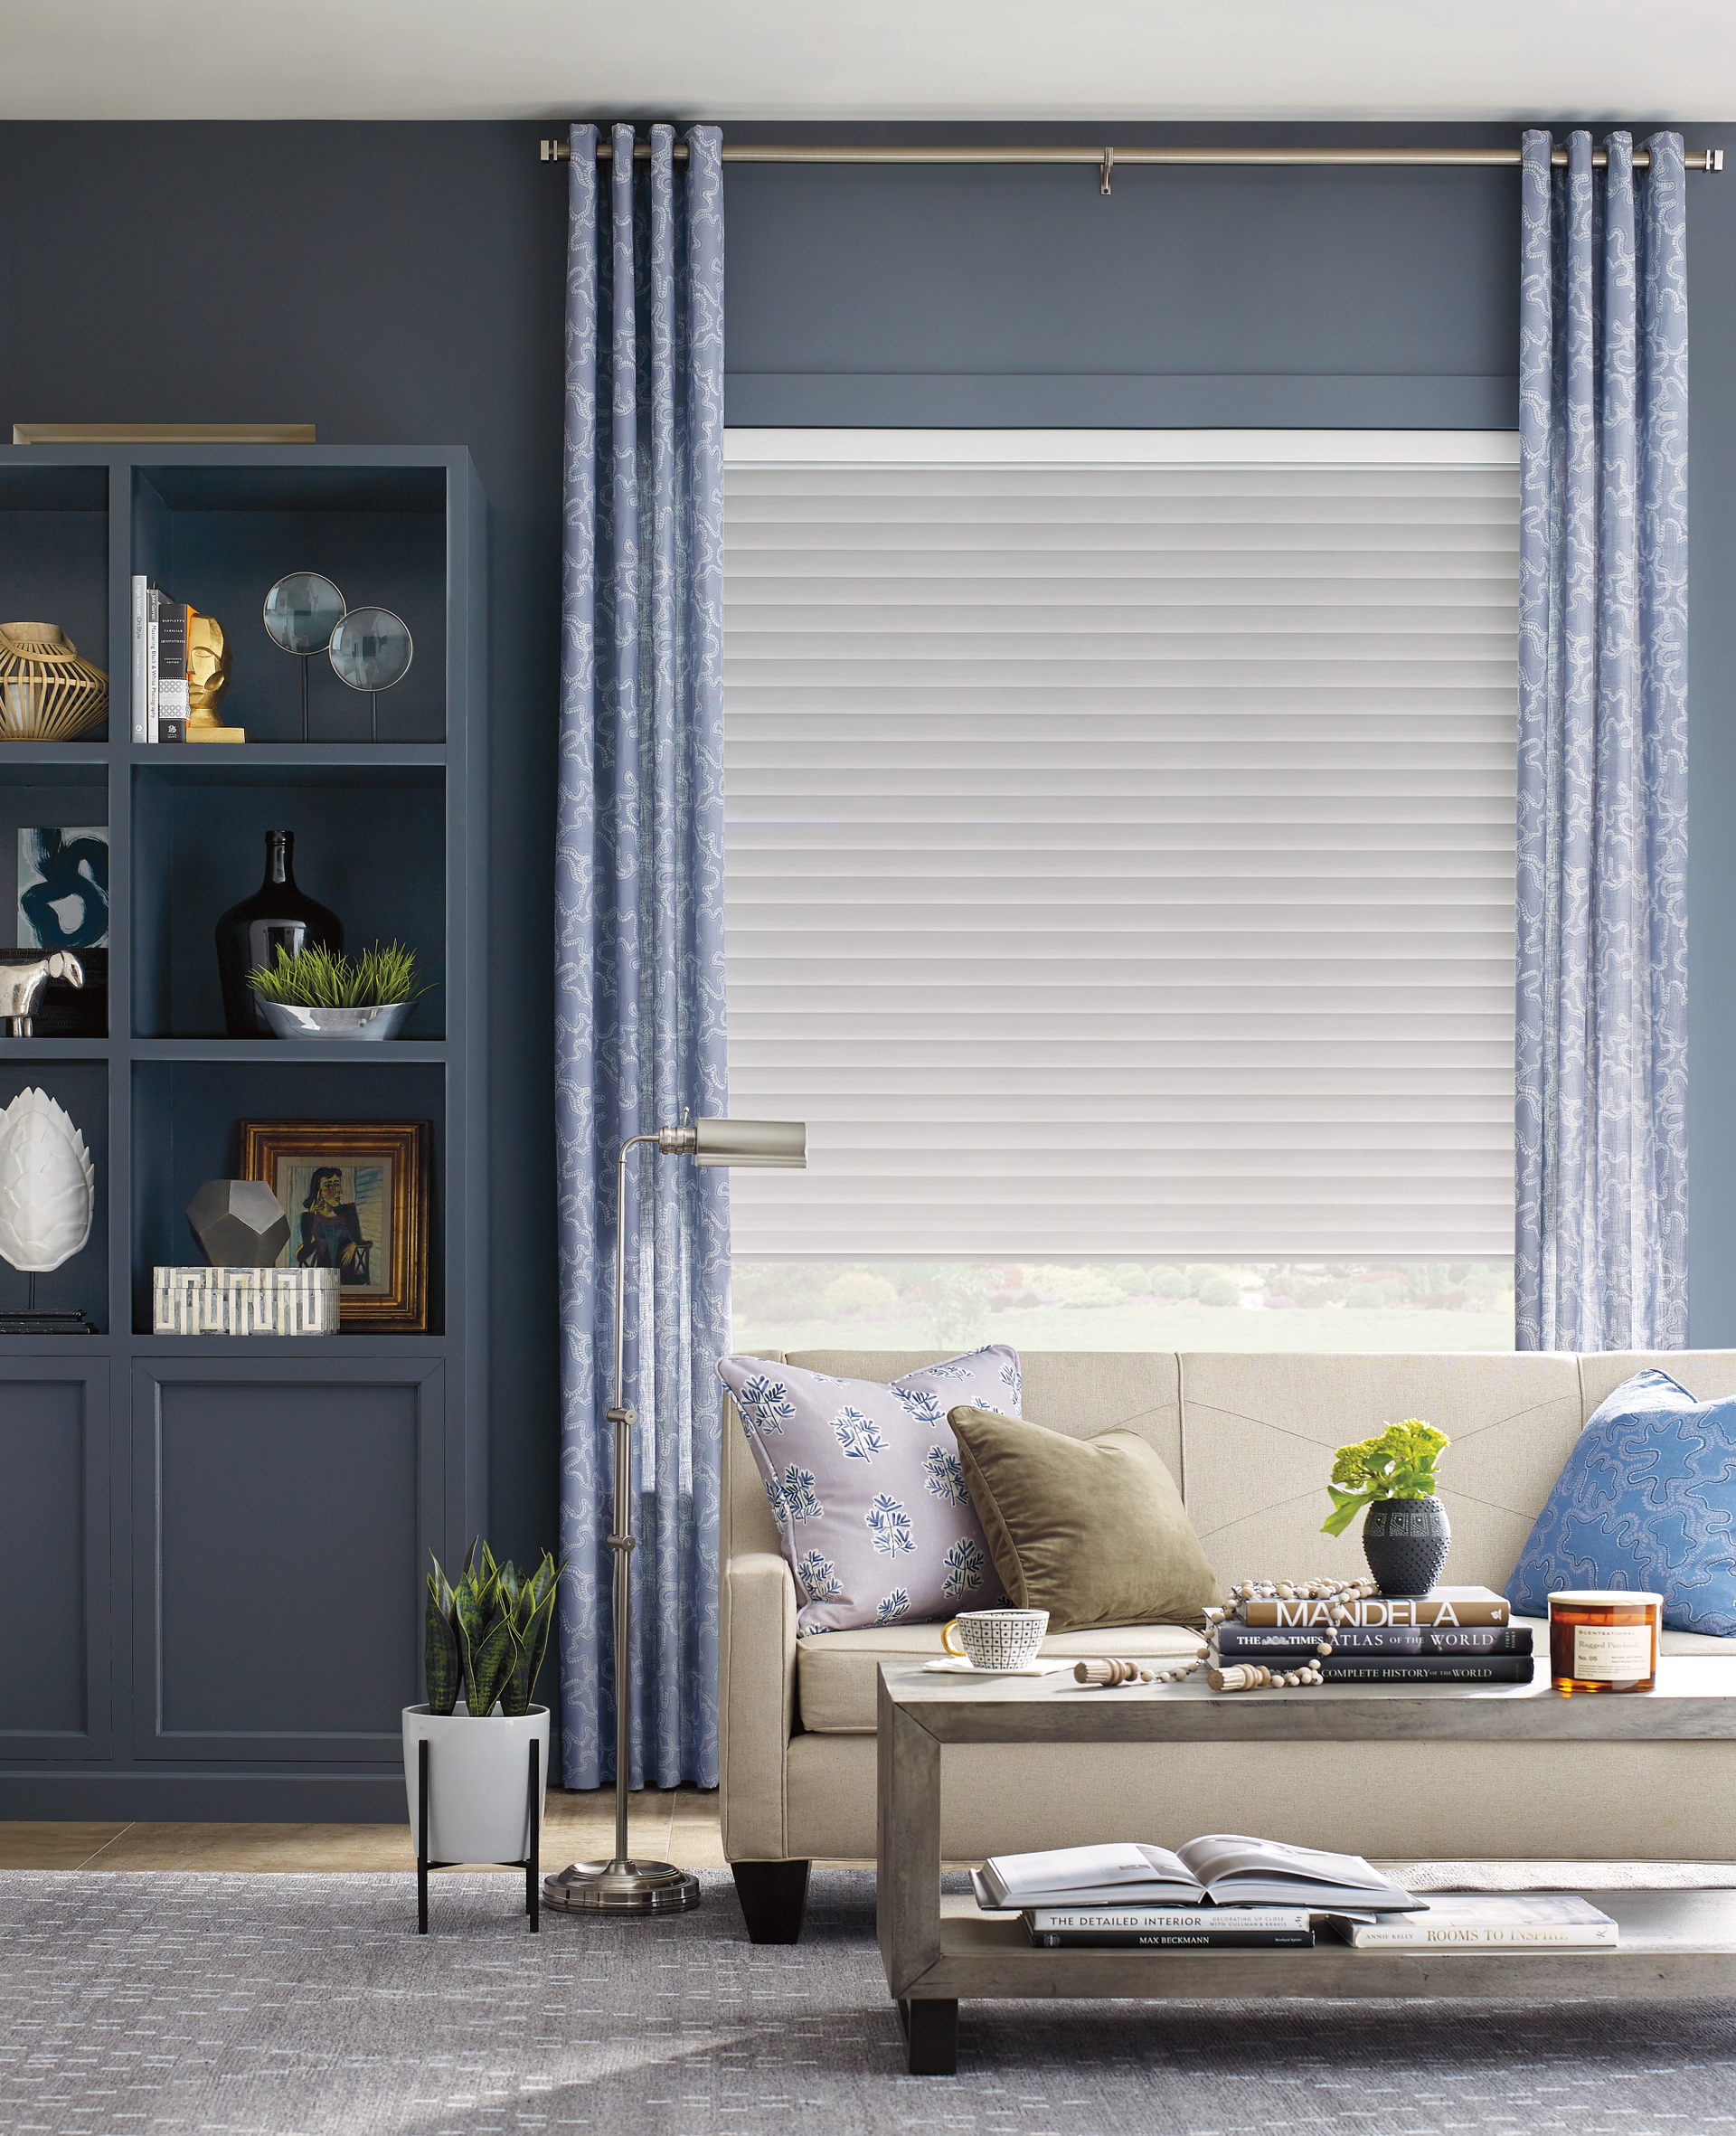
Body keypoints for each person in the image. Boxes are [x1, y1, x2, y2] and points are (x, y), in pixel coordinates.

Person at [296, 1166, 373, 1285]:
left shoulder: (348, 1213)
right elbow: (302, 1255)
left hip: (347, 1277)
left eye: (337, 1184)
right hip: (323, 1278)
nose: (337, 1191)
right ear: (318, 1191)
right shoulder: (311, 1218)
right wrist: (310, 1214)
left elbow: (362, 1242)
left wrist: (354, 1244)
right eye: (328, 1186)